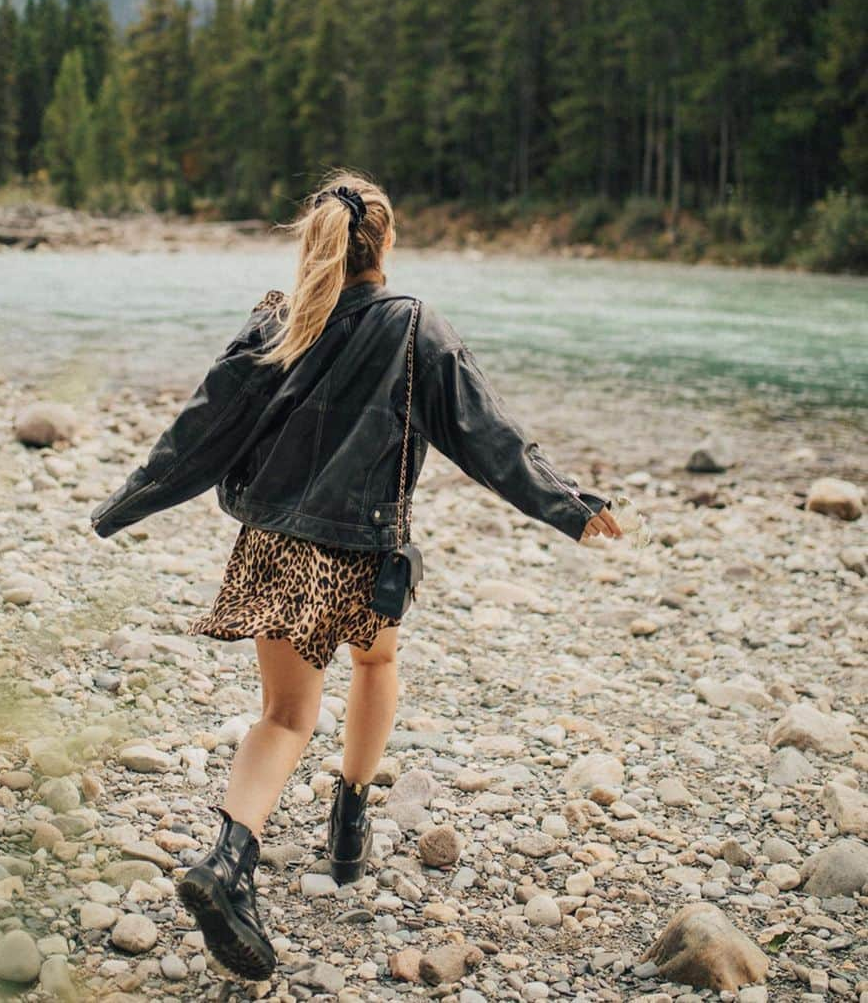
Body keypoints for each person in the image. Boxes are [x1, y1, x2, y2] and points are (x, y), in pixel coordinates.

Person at [90, 169, 624, 981]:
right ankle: (349, 817)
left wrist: (125, 503)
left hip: (269, 548)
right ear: (388, 243)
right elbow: (486, 436)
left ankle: (229, 863)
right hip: (358, 554)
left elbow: (200, 429)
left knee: (281, 716)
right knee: (376, 661)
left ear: (318, 245)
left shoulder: (279, 322)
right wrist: (569, 505)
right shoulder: (414, 327)